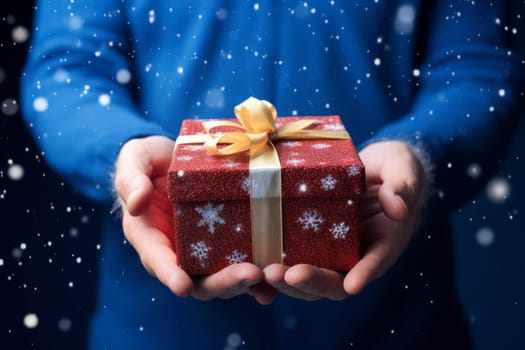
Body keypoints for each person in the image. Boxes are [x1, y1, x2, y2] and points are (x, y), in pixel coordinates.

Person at [21, 1, 523, 349]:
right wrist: (123, 150)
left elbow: (477, 67)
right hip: (159, 328)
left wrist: (420, 152)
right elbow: (68, 68)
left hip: (395, 319)